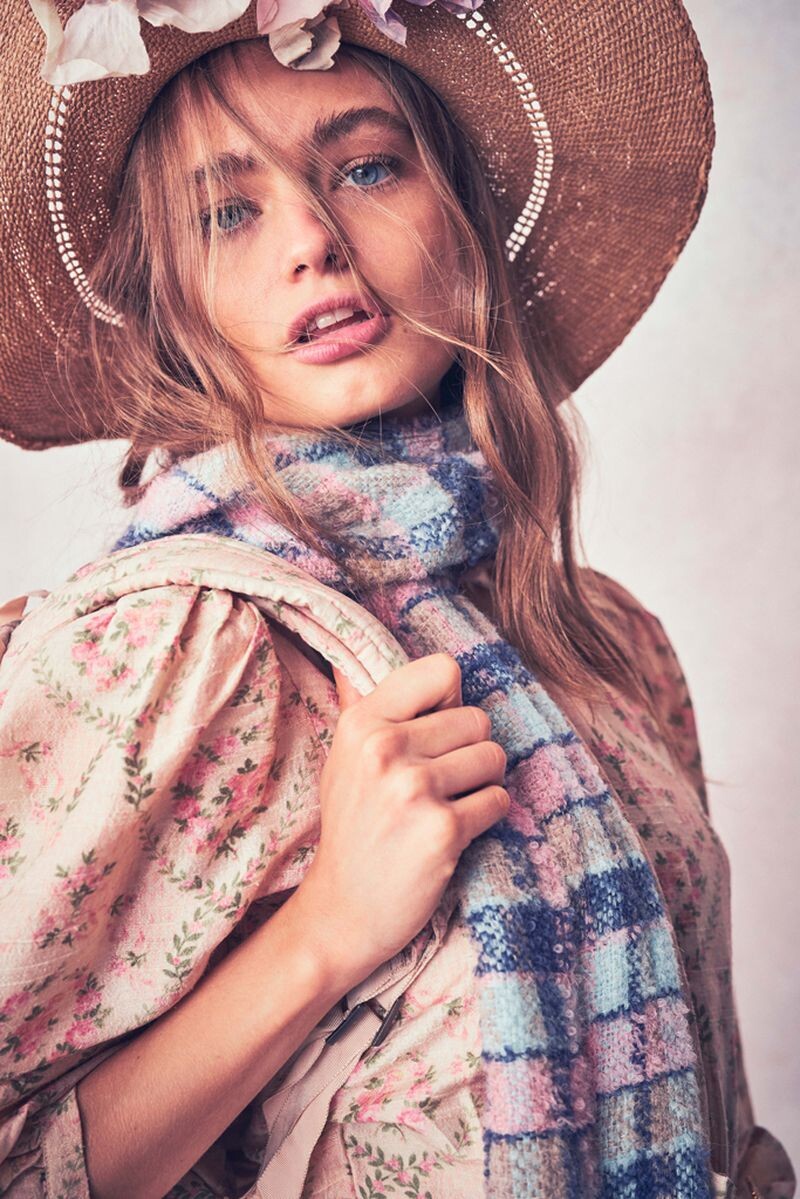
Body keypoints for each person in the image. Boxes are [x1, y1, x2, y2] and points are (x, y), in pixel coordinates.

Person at [0, 2, 794, 1198]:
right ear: (168, 303)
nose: (313, 240)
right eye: (228, 212)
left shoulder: (609, 641)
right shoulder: (175, 647)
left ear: (460, 215)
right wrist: (326, 928)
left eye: (366, 168)